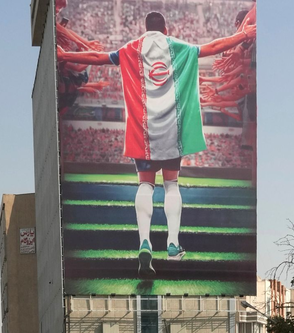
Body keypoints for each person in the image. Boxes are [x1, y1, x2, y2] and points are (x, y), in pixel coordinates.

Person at [57, 12, 256, 276]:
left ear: (145, 29)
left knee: (145, 186)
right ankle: (173, 244)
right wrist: (244, 35)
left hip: (144, 130)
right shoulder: (178, 47)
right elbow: (215, 47)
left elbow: (97, 58)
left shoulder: (131, 49)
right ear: (165, 28)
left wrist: (64, 56)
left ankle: (144, 241)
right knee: (172, 185)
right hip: (172, 130)